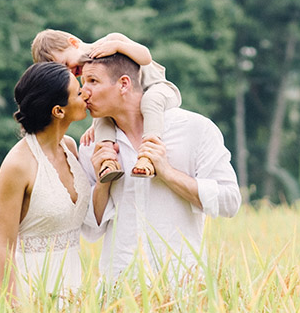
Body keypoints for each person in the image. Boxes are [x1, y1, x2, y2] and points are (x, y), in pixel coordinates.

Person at [78, 53, 241, 285]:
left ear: (124, 84)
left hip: (183, 284)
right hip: (120, 288)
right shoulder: (92, 146)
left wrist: (167, 173)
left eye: (93, 81)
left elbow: (230, 202)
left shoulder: (195, 129)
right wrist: (103, 182)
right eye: (83, 83)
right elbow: (90, 230)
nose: (84, 92)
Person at [0, 62, 91, 312]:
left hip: (72, 293)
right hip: (28, 294)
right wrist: (14, 311)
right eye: (78, 92)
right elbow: (4, 246)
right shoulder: (17, 165)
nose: (85, 92)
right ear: (58, 111)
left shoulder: (70, 147)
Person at [31, 29, 182, 180]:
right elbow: (105, 100)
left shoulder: (111, 40)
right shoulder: (87, 70)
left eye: (66, 64)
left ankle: (149, 151)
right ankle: (108, 160)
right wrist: (94, 125)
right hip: (127, 101)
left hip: (159, 89)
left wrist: (118, 46)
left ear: (74, 43)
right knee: (102, 116)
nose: (70, 71)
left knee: (150, 100)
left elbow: (146, 57)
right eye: (65, 72)